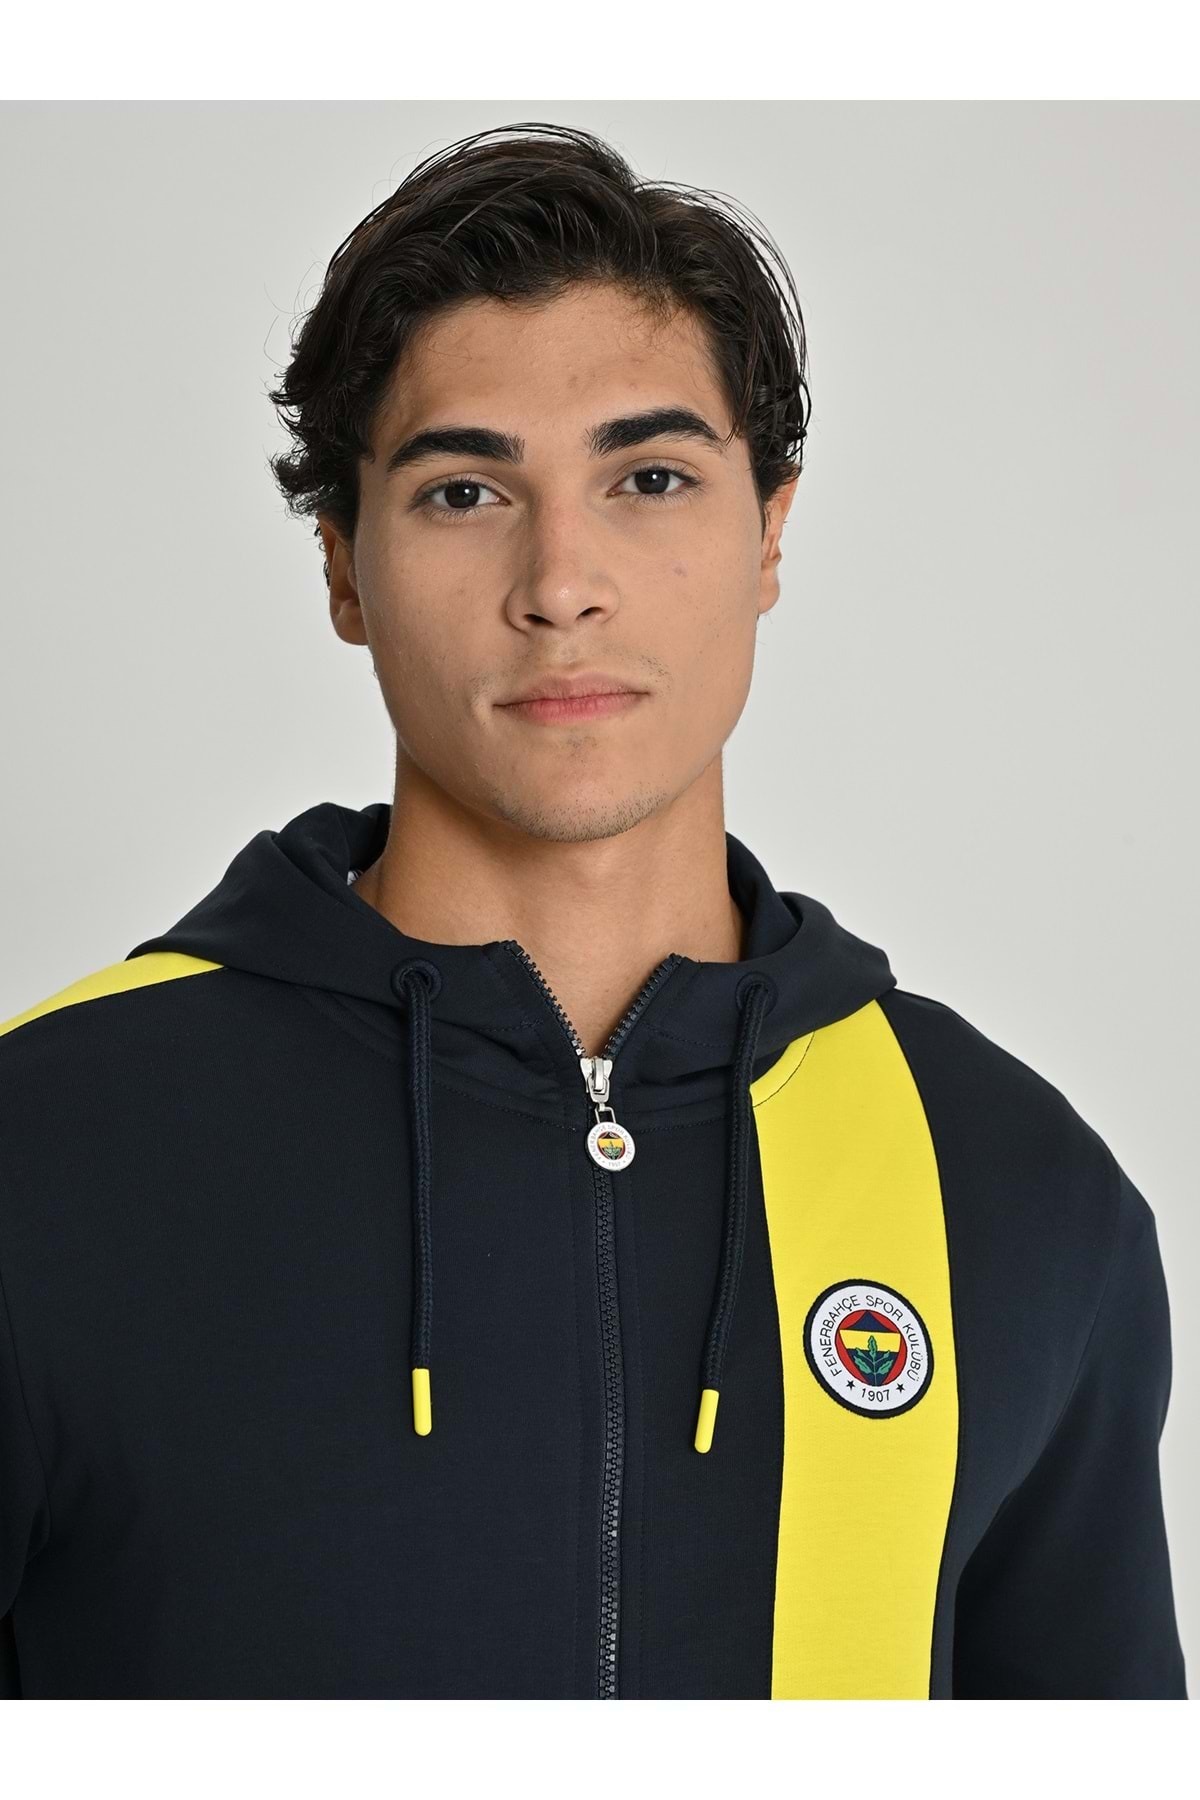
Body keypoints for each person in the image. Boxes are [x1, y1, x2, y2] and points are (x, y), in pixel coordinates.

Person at [0, 121, 1186, 1701]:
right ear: (343, 567)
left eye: (651, 479)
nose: (561, 582)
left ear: (769, 534)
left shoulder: (1018, 1191)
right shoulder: (45, 1145)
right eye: (464, 490)